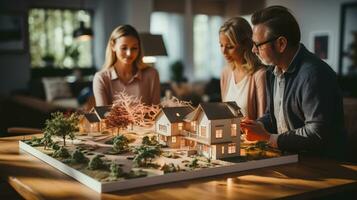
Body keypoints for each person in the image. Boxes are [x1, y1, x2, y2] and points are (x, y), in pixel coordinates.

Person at [240, 6, 346, 158]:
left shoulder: (315, 74)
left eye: (258, 45)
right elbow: (272, 116)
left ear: (281, 44)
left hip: (323, 166)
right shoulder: (272, 72)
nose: (253, 51)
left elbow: (316, 132)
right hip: (289, 159)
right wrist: (256, 126)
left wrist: (268, 138)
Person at [93, 25, 161, 106]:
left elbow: (156, 112)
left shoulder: (152, 74)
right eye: (124, 48)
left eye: (134, 48)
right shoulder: (101, 78)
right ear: (113, 46)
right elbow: (103, 117)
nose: (129, 54)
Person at [219, 17, 266, 119]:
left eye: (230, 46)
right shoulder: (225, 73)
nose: (223, 51)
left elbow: (263, 121)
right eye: (221, 45)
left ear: (246, 44)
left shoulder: (260, 75)